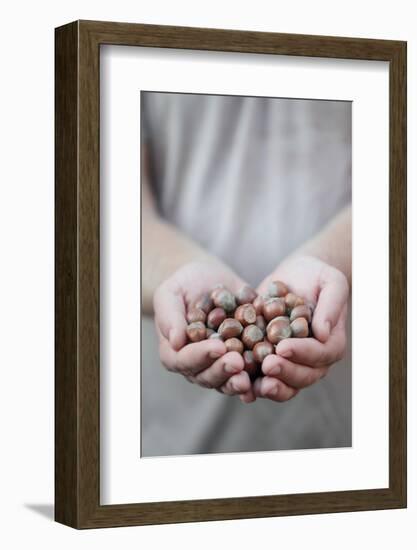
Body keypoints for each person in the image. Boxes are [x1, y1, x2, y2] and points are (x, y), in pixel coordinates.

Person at [141, 92, 352, 456]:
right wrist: (172, 271)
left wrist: (335, 259)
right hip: (175, 434)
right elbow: (102, 204)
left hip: (346, 418)